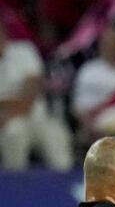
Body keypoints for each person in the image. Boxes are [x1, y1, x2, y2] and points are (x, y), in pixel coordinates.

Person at [0, 21, 72, 170]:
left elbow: (32, 90)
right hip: (8, 124)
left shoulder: (24, 50)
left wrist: (8, 105)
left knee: (56, 136)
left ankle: (64, 182)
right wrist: (20, 102)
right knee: (14, 133)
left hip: (39, 118)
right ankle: (15, 182)